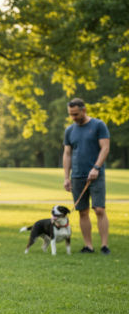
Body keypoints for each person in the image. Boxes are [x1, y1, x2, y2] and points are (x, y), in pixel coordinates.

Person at [63, 98, 111, 255]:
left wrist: (96, 167)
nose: (73, 117)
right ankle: (88, 246)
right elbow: (67, 154)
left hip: (96, 175)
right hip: (77, 176)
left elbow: (105, 148)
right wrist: (66, 177)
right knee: (82, 211)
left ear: (84, 110)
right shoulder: (69, 130)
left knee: (99, 209)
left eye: (76, 114)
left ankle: (104, 246)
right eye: (71, 114)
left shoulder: (98, 125)